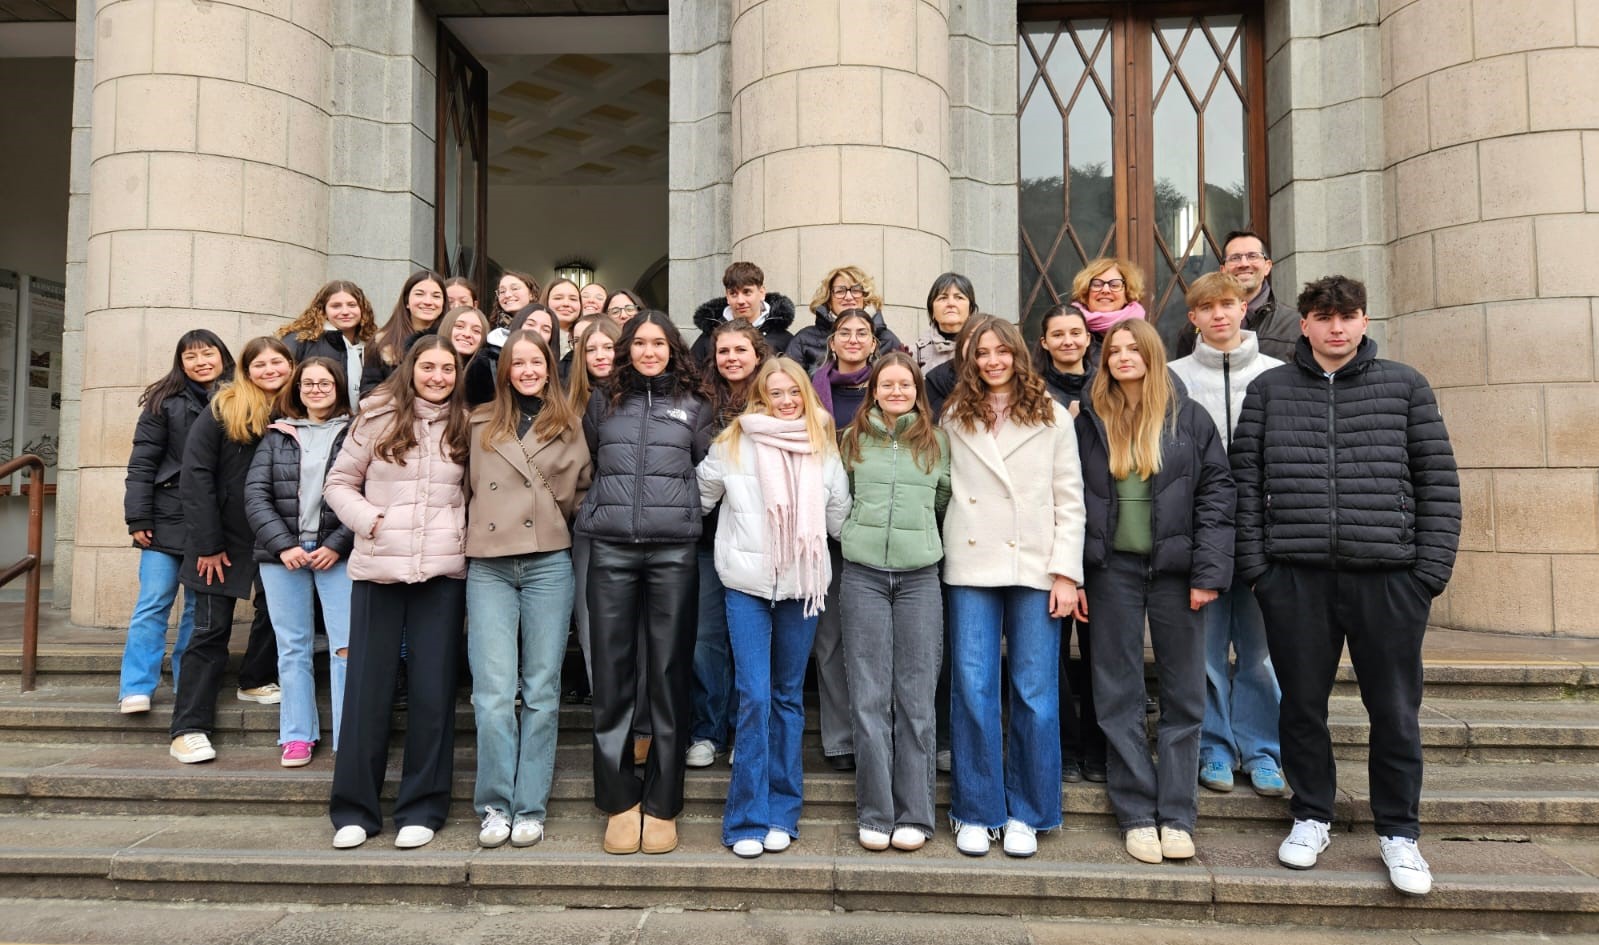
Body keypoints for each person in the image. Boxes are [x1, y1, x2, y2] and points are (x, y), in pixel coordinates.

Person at [1231, 275, 1460, 897]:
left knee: (1393, 710)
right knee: (1301, 706)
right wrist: (1260, 571)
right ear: (1303, 324)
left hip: (1387, 579)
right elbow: (1245, 486)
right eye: (1324, 316)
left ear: (1363, 321)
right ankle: (1311, 814)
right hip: (1295, 579)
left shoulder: (1405, 386)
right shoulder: (1269, 390)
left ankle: (1399, 832)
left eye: (1348, 316)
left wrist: (1427, 575)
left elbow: (1437, 481)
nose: (1337, 327)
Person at [1075, 317, 1235, 864]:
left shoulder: (1189, 418)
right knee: (1116, 694)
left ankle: (1178, 813)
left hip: (1175, 574)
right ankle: (1138, 813)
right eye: (1113, 350)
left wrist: (1208, 575)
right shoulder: (1091, 419)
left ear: (1151, 354)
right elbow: (1070, 498)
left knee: (1184, 696)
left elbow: (1217, 496)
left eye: (1131, 348)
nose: (1122, 356)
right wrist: (1073, 573)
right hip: (1110, 572)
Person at [940, 315, 1084, 859]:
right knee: (973, 687)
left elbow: (1070, 498)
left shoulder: (1051, 415)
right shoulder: (955, 414)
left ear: (1019, 355)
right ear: (970, 360)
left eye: (1002, 351)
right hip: (971, 564)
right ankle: (976, 809)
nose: (993, 361)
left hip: (1035, 564)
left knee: (1035, 691)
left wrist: (1067, 572)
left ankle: (1029, 809)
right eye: (982, 353)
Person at [698, 356, 849, 859]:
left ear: (806, 395)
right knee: (754, 696)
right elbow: (697, 498)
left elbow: (838, 519)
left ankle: (784, 811)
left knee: (787, 698)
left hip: (802, 586)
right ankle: (746, 817)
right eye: (774, 393)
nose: (785, 402)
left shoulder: (823, 449)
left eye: (793, 393)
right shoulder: (732, 444)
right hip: (746, 584)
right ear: (759, 397)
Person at [324, 335, 471, 850]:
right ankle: (354, 810)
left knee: (433, 694)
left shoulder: (466, 423)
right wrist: (370, 521)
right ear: (411, 370)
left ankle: (423, 807)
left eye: (447, 369)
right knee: (368, 691)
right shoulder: (376, 418)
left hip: (442, 574)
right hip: (377, 570)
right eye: (428, 367)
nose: (437, 376)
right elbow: (339, 482)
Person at [577, 311, 715, 856]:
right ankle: (619, 800)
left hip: (673, 551)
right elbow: (584, 463)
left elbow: (712, 472)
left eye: (659, 343)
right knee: (611, 675)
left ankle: (662, 801)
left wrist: (682, 515)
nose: (649, 351)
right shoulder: (602, 401)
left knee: (667, 673)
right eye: (640, 343)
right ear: (625, 349)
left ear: (672, 348)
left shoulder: (696, 405)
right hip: (609, 547)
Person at [465, 329, 592, 849]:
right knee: (493, 694)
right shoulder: (476, 422)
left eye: (535, 361)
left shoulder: (570, 425)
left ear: (548, 366)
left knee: (541, 691)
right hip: (489, 565)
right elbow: (464, 486)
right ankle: (495, 803)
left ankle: (531, 805)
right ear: (505, 370)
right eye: (517, 363)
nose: (527, 370)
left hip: (547, 562)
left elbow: (581, 491)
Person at [1168, 272, 1287, 797]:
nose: (1219, 314)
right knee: (1207, 650)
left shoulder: (1277, 375)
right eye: (1207, 307)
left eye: (1229, 304)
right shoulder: (1171, 377)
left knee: (1260, 652)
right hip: (1196, 535)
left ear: (1245, 309)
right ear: (1192, 318)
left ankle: (1262, 747)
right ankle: (1214, 745)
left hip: (1263, 534)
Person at [838, 351, 951, 852]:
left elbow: (944, 498)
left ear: (916, 390)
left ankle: (916, 813)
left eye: (906, 384)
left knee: (916, 698)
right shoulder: (853, 439)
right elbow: (838, 495)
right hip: (862, 575)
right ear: (874, 389)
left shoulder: (935, 441)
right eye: (888, 384)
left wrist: (922, 535)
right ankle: (877, 811)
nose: (897, 391)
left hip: (919, 578)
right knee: (868, 696)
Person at [167, 336, 294, 764]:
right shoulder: (224, 407)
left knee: (274, 616)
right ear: (244, 368)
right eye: (260, 364)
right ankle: (188, 728)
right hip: (220, 542)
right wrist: (207, 544)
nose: (270, 370)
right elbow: (196, 475)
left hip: (277, 536)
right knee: (208, 631)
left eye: (278, 361)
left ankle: (255, 679)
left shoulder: (300, 406)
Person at [243, 356, 354, 767]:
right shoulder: (277, 436)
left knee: (345, 647)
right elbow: (255, 497)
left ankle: (348, 734)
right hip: (282, 555)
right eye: (308, 383)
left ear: (338, 388)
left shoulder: (355, 434)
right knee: (292, 648)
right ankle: (296, 735)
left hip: (338, 554)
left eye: (325, 383)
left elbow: (368, 494)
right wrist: (284, 546)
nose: (316, 389)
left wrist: (339, 544)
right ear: (297, 389)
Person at [118, 330, 234, 715]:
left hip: (214, 523)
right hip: (166, 517)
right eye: (191, 356)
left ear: (222, 356)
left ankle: (190, 681)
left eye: (208, 354)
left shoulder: (241, 396)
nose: (200, 362)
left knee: (197, 608)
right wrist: (138, 515)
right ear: (179, 362)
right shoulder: (163, 401)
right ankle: (136, 686)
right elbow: (142, 462)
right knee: (153, 601)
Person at [685, 319, 772, 769]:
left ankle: (745, 730)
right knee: (707, 638)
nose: (732, 358)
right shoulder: (698, 402)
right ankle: (707, 729)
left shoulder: (777, 399)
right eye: (724, 351)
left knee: (750, 643)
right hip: (706, 537)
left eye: (741, 349)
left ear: (758, 353)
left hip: (758, 540)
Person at [806, 309, 881, 771]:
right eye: (845, 333)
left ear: (875, 342)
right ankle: (839, 739)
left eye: (863, 333)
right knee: (830, 640)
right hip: (823, 529)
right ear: (831, 342)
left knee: (872, 641)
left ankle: (876, 733)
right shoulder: (811, 392)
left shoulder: (890, 387)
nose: (854, 339)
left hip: (876, 530)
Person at [1035, 304, 1105, 783]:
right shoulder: (1034, 393)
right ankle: (1062, 746)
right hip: (1050, 535)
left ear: (1087, 338)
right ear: (1043, 342)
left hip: (1100, 530)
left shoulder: (1107, 387)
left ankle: (1099, 752)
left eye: (1074, 333)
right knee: (1050, 654)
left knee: (1101, 651)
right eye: (1057, 334)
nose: (1066, 340)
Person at [1173, 230, 1299, 361]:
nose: (1244, 264)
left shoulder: (1293, 325)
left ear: (1267, 267)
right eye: (1235, 258)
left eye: (1253, 256)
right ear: (1223, 270)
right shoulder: (1193, 330)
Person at [278, 280, 376, 408]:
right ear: (322, 310)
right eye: (336, 306)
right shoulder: (300, 341)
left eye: (352, 305)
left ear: (362, 309)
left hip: (360, 423)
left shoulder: (373, 344)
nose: (345, 311)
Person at [788, 266, 903, 374]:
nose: (848, 297)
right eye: (840, 291)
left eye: (856, 290)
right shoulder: (803, 340)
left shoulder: (887, 340)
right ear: (829, 299)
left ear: (865, 297)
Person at [690, 261, 796, 367]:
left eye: (747, 292)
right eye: (733, 293)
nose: (740, 301)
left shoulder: (784, 340)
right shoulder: (708, 338)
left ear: (762, 292)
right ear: (727, 296)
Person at [361, 270, 446, 397]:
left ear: (444, 303)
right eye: (419, 294)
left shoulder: (451, 339)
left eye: (436, 296)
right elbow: (368, 390)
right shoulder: (382, 341)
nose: (428, 301)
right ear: (407, 301)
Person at [1070, 257, 1148, 340]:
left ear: (1127, 294)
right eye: (1096, 284)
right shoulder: (1069, 327)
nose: (1105, 290)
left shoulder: (1142, 335)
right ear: (1085, 294)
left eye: (1114, 285)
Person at [914, 272, 975, 374]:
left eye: (959, 297)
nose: (951, 304)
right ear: (932, 310)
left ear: (971, 309)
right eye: (943, 298)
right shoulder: (915, 353)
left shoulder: (981, 348)